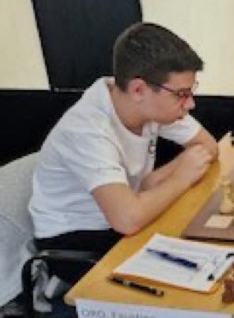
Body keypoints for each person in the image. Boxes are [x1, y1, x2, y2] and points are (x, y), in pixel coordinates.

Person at [29, 22, 218, 275]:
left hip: (123, 215)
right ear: (138, 89)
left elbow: (208, 147)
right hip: (74, 242)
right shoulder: (87, 129)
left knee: (208, 242)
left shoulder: (144, 103)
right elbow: (127, 220)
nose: (190, 104)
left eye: (191, 91)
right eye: (181, 94)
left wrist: (155, 180)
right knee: (195, 267)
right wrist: (181, 177)